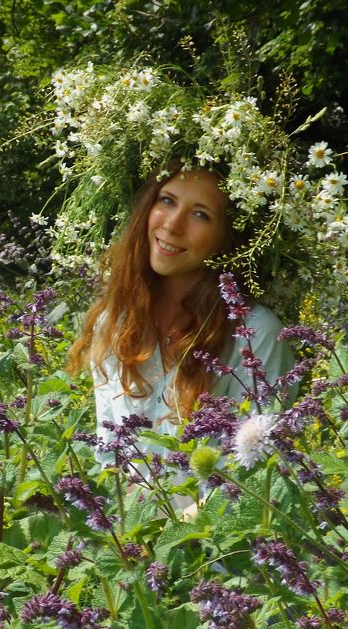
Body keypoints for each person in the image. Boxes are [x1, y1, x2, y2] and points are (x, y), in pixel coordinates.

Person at [68, 162, 295, 474]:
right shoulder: (116, 321)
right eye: (167, 201)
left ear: (228, 238)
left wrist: (183, 520)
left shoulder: (255, 334)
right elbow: (110, 454)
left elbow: (258, 472)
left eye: (200, 214)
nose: (173, 225)